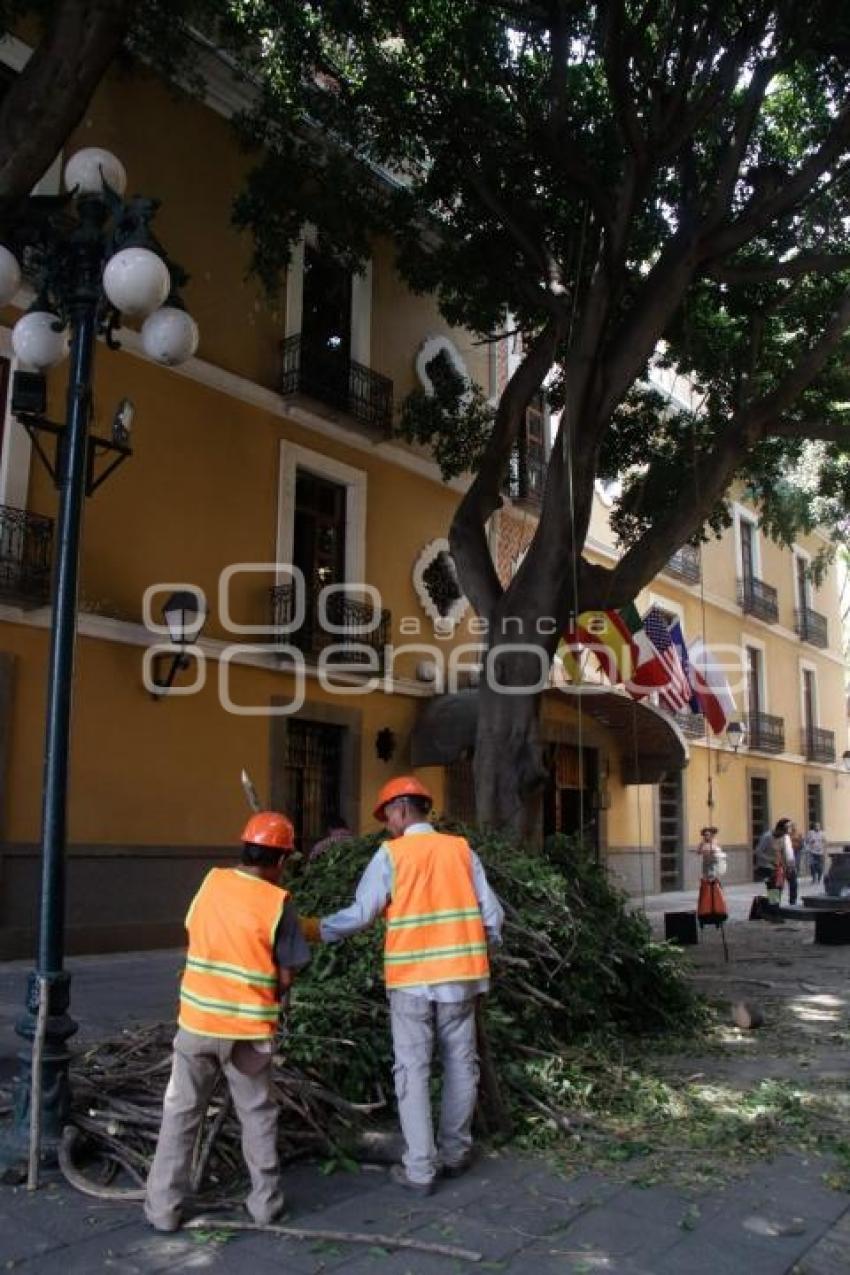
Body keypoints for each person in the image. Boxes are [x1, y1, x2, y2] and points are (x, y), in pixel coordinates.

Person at [300, 776, 504, 1196]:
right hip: (463, 978)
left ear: (401, 810)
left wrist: (316, 930)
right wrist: (483, 955)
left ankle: (420, 1169)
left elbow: (362, 913)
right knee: (461, 1065)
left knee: (412, 1069)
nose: (387, 824)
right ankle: (454, 1153)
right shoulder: (461, 850)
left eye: (387, 815)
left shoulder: (390, 855)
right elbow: (493, 915)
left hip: (412, 980)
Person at [144, 811, 310, 1233]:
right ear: (281, 860)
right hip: (247, 1034)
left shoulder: (210, 883)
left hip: (197, 1023)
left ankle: (162, 1209)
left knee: (181, 1114)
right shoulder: (278, 903)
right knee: (257, 1115)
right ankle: (265, 1205)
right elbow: (288, 973)